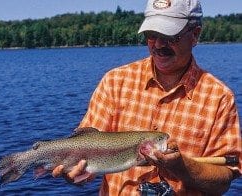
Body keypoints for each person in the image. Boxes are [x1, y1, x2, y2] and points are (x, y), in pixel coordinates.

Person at [52, 0, 241, 195]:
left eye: (170, 36)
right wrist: (78, 173)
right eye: (152, 35)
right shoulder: (115, 81)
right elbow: (86, 146)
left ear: (195, 35)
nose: (159, 44)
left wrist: (181, 166)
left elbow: (223, 180)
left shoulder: (220, 98)